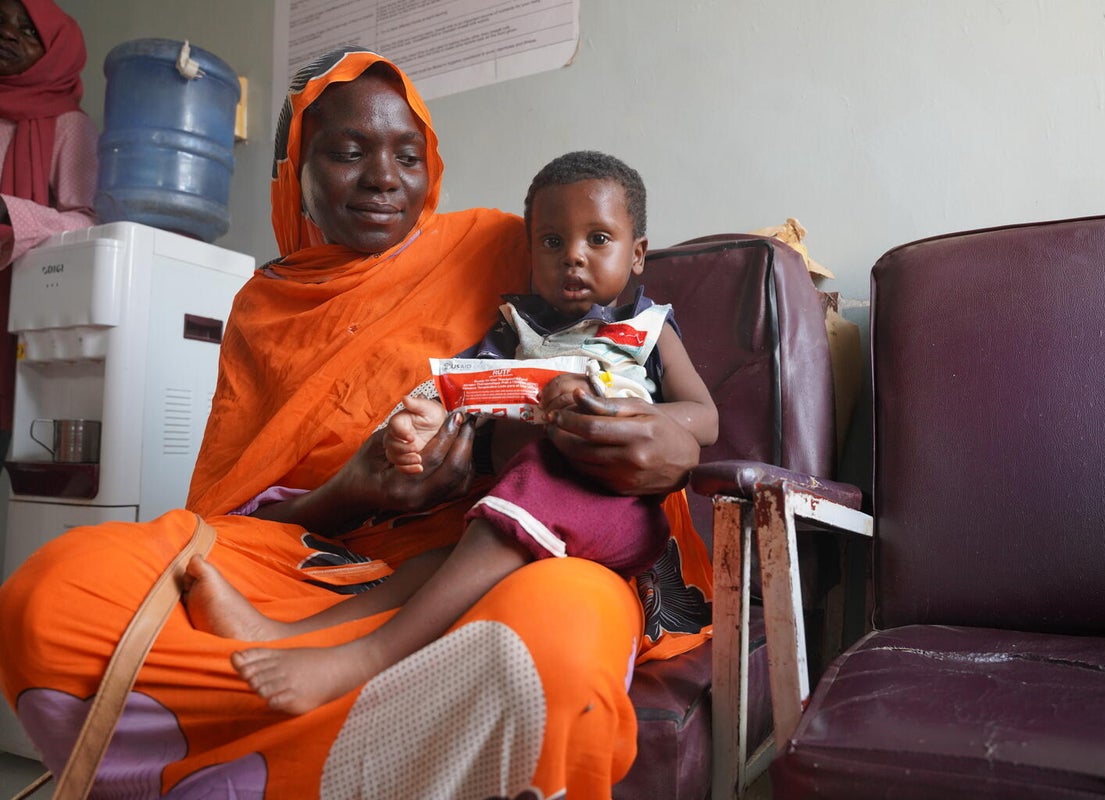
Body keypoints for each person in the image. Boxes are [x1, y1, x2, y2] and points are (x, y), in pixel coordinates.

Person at [0, 48, 714, 798]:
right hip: (309, 562)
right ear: (293, 175)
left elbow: (628, 371)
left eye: (408, 155)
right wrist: (355, 489)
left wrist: (669, 445)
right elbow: (226, 508)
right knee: (51, 603)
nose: (383, 178)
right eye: (347, 152)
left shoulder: (503, 249)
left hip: (504, 558)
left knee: (554, 643)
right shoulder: (261, 307)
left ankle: (274, 748)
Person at [181, 150, 719, 716]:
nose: (574, 259)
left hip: (617, 511)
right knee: (437, 563)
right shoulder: (517, 328)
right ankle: (284, 635)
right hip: (514, 511)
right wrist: (416, 428)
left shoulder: (647, 329)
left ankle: (364, 660)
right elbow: (457, 396)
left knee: (520, 499)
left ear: (637, 256)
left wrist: (642, 420)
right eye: (553, 243)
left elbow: (705, 417)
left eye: (599, 240)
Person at [0, 0, 97, 460]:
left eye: (28, 30)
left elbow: (87, 220)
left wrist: (9, 212)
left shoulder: (68, 124)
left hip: (13, 315)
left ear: (57, 49)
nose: (8, 35)